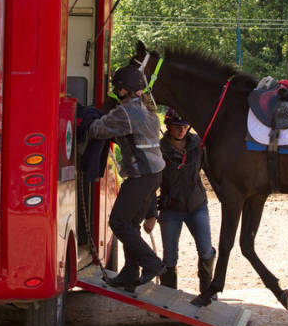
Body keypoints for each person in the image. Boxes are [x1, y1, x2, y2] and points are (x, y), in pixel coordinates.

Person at [88, 65, 166, 289]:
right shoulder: (147, 109)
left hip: (140, 176)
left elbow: (98, 130)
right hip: (153, 174)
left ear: (124, 90)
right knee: (130, 224)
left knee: (118, 222)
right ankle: (130, 273)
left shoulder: (126, 112)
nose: (115, 91)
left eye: (117, 88)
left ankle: (151, 263)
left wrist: (84, 118)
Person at [144, 108, 216, 294]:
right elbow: (152, 184)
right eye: (177, 127)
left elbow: (209, 169)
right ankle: (168, 299)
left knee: (206, 251)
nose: (181, 130)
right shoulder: (159, 150)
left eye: (184, 126)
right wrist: (151, 214)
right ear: (168, 126)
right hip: (170, 209)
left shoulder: (198, 145)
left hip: (197, 206)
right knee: (170, 258)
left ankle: (207, 295)